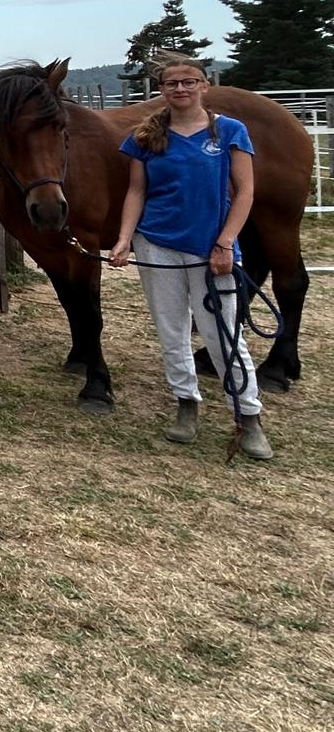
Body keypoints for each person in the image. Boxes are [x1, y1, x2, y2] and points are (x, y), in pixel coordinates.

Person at [110, 56, 272, 459]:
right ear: (161, 91)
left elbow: (245, 191)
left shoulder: (230, 131)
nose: (180, 89)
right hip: (158, 243)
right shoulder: (146, 136)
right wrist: (125, 239)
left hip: (212, 248)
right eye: (171, 84)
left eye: (188, 82)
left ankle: (248, 414)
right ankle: (186, 402)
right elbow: (136, 192)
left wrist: (225, 242)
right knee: (171, 330)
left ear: (203, 86)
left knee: (224, 333)